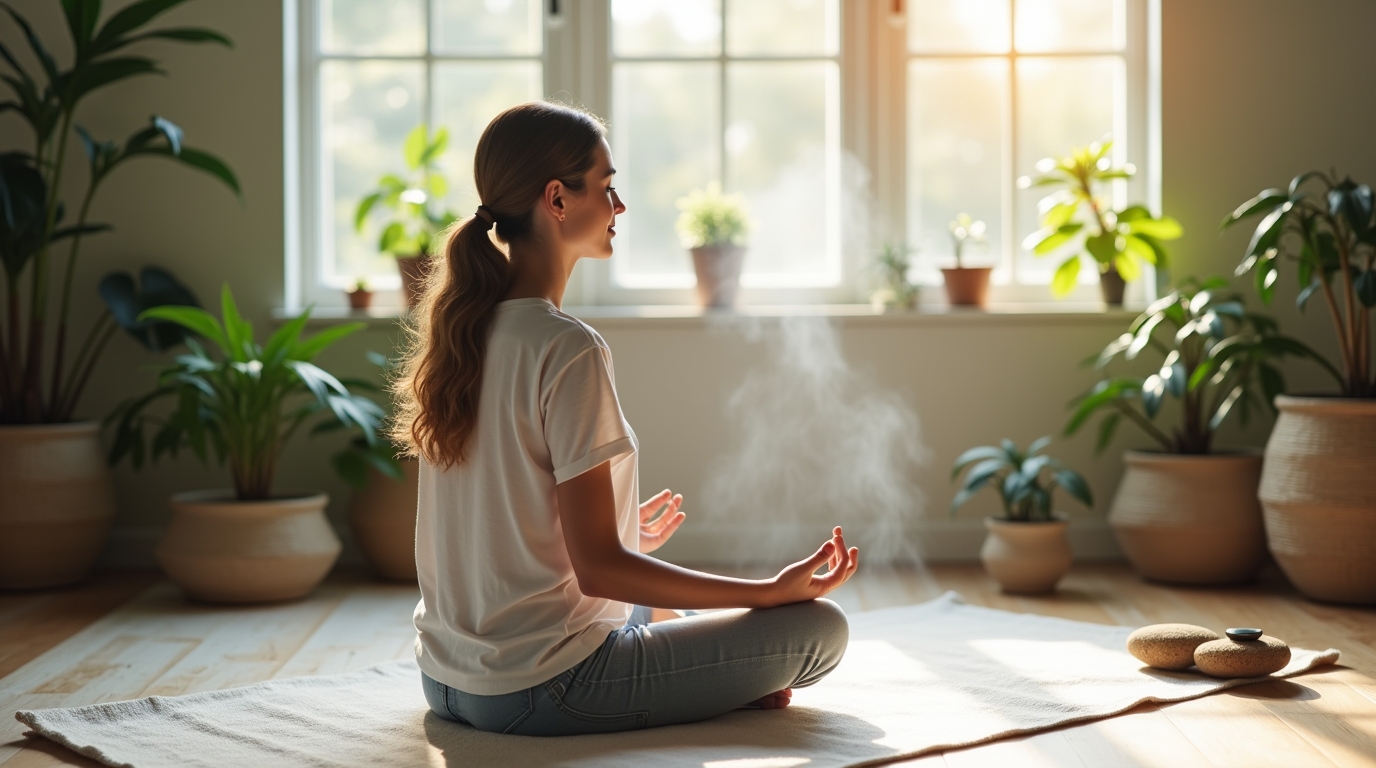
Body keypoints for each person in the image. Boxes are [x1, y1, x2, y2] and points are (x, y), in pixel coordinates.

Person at [390, 101, 859, 737]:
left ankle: (713, 677)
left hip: (446, 681)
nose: (621, 207)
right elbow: (602, 569)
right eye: (607, 188)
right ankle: (721, 682)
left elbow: (496, 513)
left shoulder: (466, 332)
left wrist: (591, 529)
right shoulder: (566, 346)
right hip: (543, 688)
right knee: (819, 630)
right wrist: (766, 593)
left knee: (647, 602)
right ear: (557, 199)